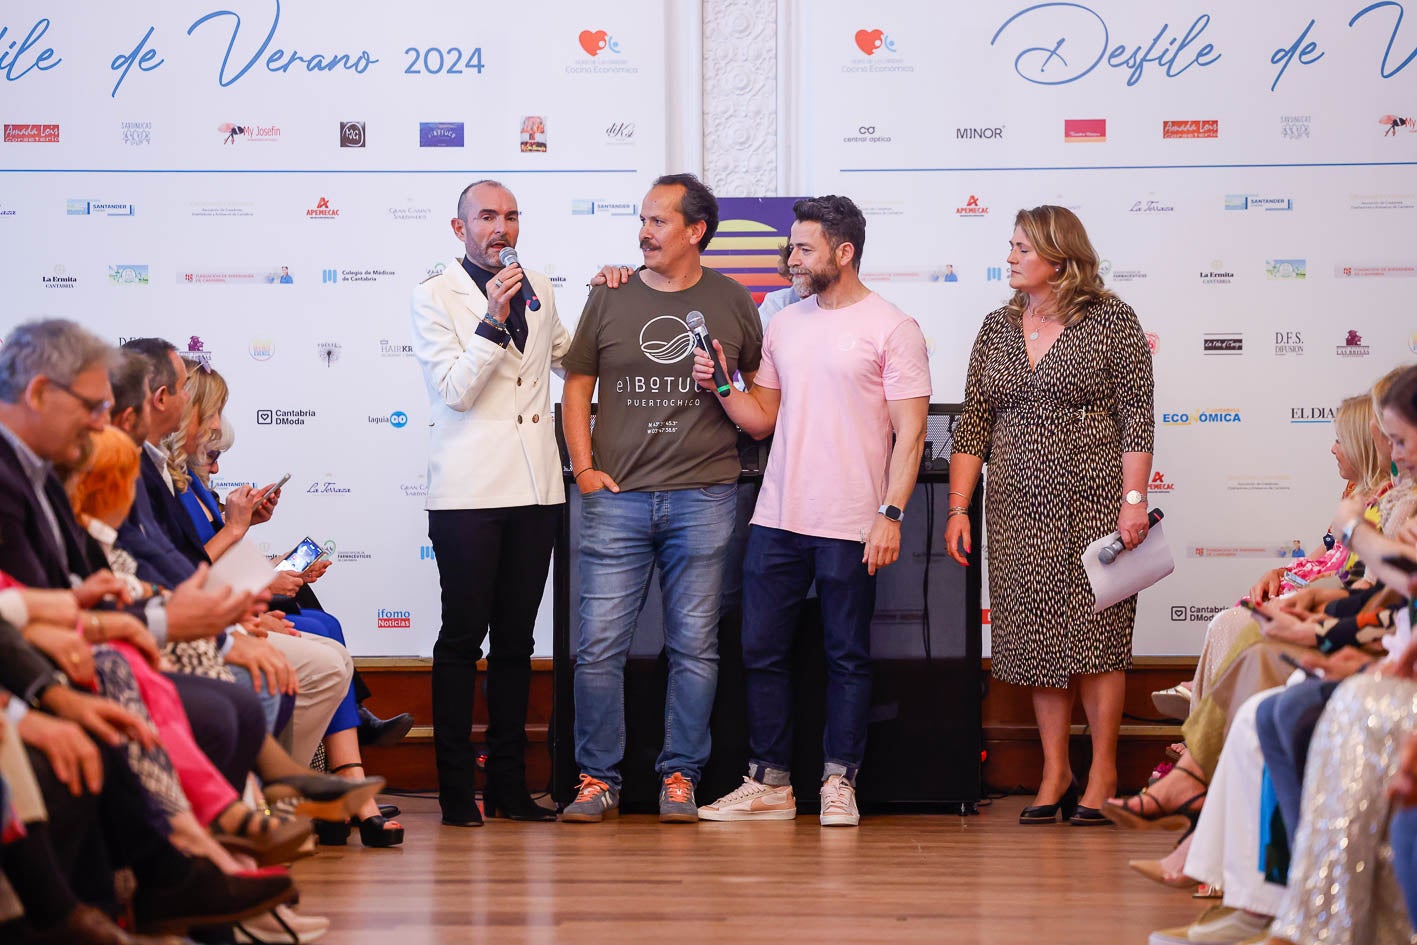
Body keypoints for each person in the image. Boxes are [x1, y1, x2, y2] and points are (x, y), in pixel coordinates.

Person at [692, 195, 931, 828]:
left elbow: (912, 435)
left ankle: (838, 781)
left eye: (803, 248)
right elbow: (761, 418)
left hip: (854, 523)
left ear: (842, 252)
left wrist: (891, 514)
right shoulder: (786, 324)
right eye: (791, 247)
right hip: (776, 518)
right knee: (761, 653)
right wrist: (720, 383)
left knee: (846, 656)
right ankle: (770, 784)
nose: (790, 259)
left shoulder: (894, 327)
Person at [559, 172, 763, 823]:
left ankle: (680, 773)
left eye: (657, 221)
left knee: (695, 646)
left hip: (703, 498)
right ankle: (597, 778)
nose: (643, 232)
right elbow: (576, 387)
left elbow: (756, 392)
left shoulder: (732, 300)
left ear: (695, 230)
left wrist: (724, 379)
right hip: (615, 499)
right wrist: (583, 468)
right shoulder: (609, 295)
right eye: (642, 220)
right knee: (597, 646)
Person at [946, 205, 1155, 825]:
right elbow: (973, 423)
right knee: (1036, 637)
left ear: (1059, 260)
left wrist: (1133, 502)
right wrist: (959, 507)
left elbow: (1136, 419)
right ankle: (1055, 770)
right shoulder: (996, 326)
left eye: (1021, 248)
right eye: (1010, 246)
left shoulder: (1112, 320)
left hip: (1093, 503)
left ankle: (1106, 771)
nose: (1009, 257)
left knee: (1098, 637)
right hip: (1014, 504)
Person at [410, 179, 570, 826]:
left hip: (536, 489)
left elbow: (565, 354)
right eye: (486, 216)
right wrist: (491, 322)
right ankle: (454, 792)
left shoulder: (538, 283)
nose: (500, 227)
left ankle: (508, 786)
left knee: (516, 643)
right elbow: (453, 390)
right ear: (460, 229)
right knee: (460, 640)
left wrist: (621, 295)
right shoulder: (432, 296)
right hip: (469, 494)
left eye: (509, 216)